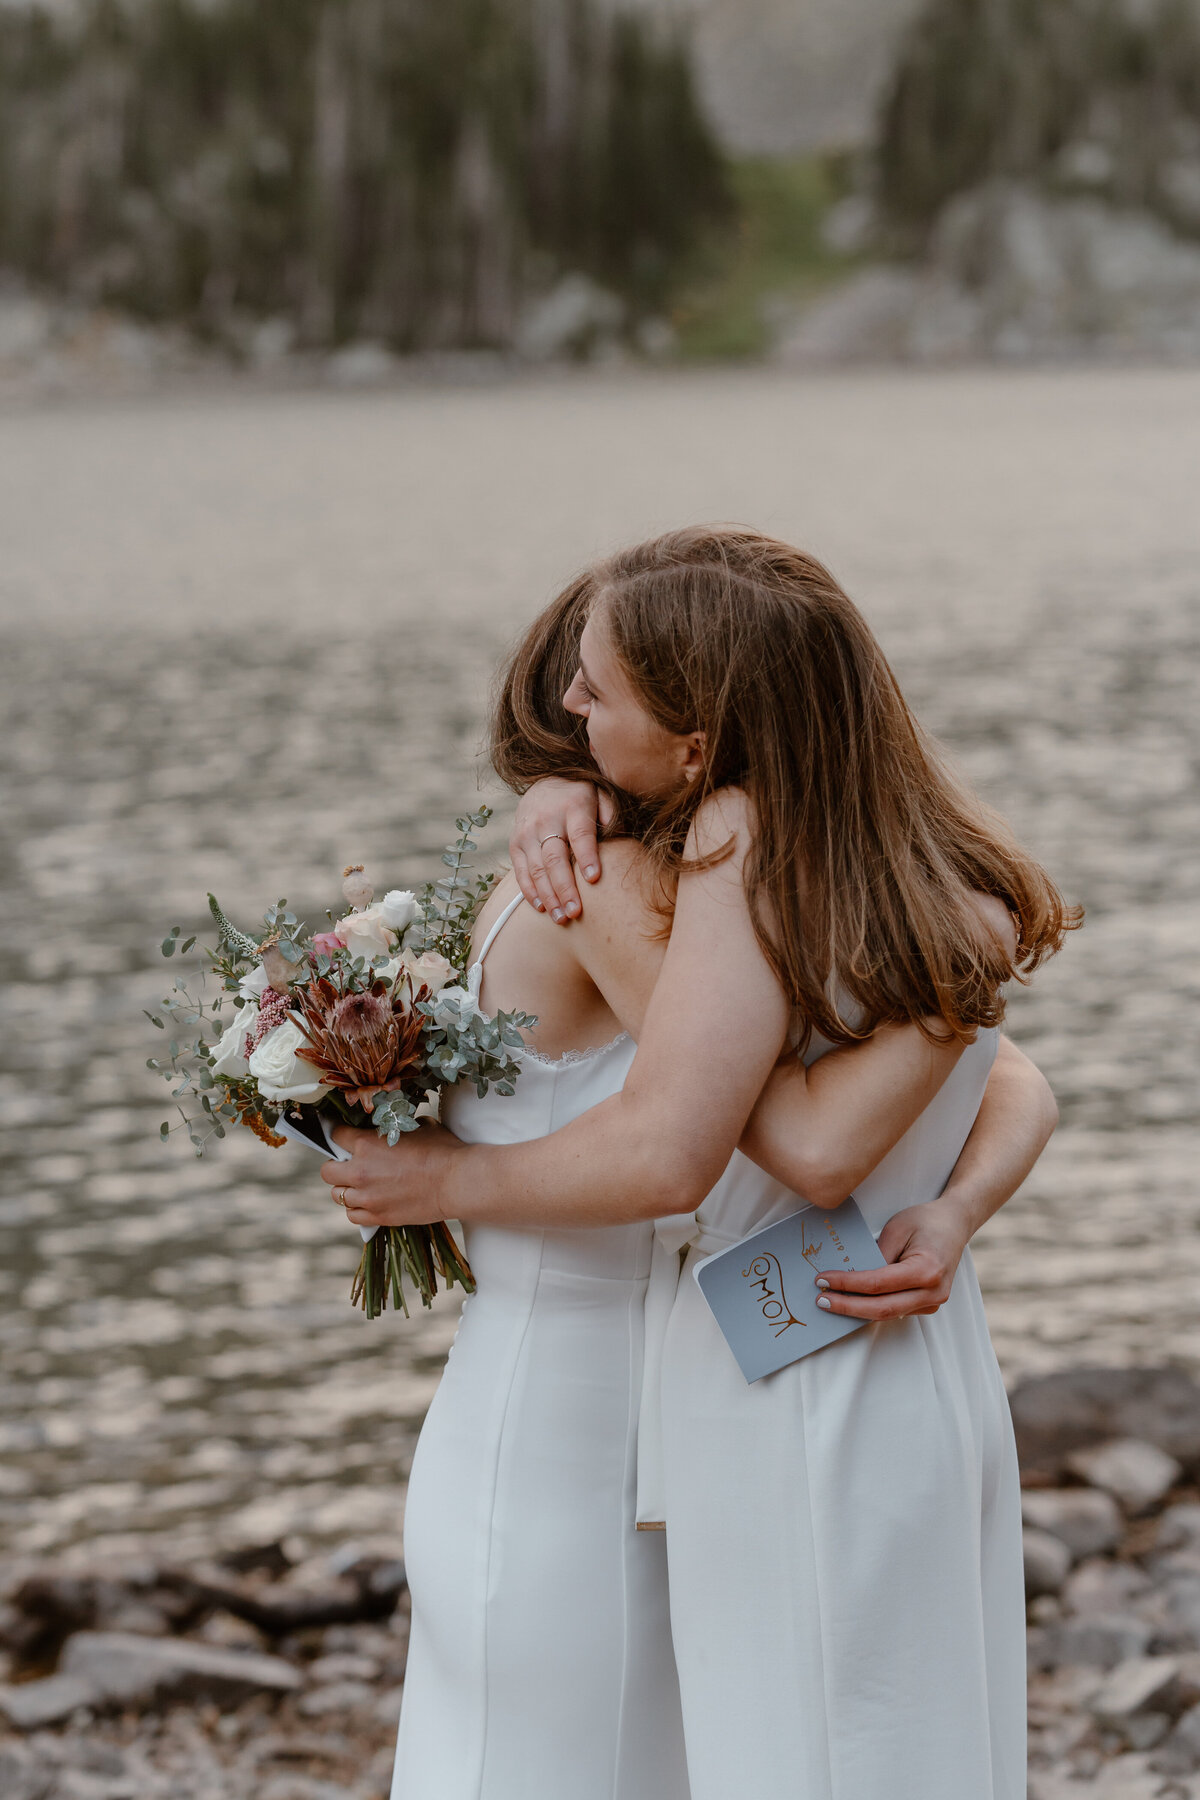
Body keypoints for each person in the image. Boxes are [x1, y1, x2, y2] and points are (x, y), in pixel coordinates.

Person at [326, 527, 1075, 1800]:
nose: (570, 703)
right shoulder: (852, 873)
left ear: (697, 737)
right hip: (773, 1361)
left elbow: (731, 1142)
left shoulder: (704, 869)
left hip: (707, 1378)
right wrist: (951, 1191)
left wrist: (442, 1181)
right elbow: (999, 1076)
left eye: (596, 687)